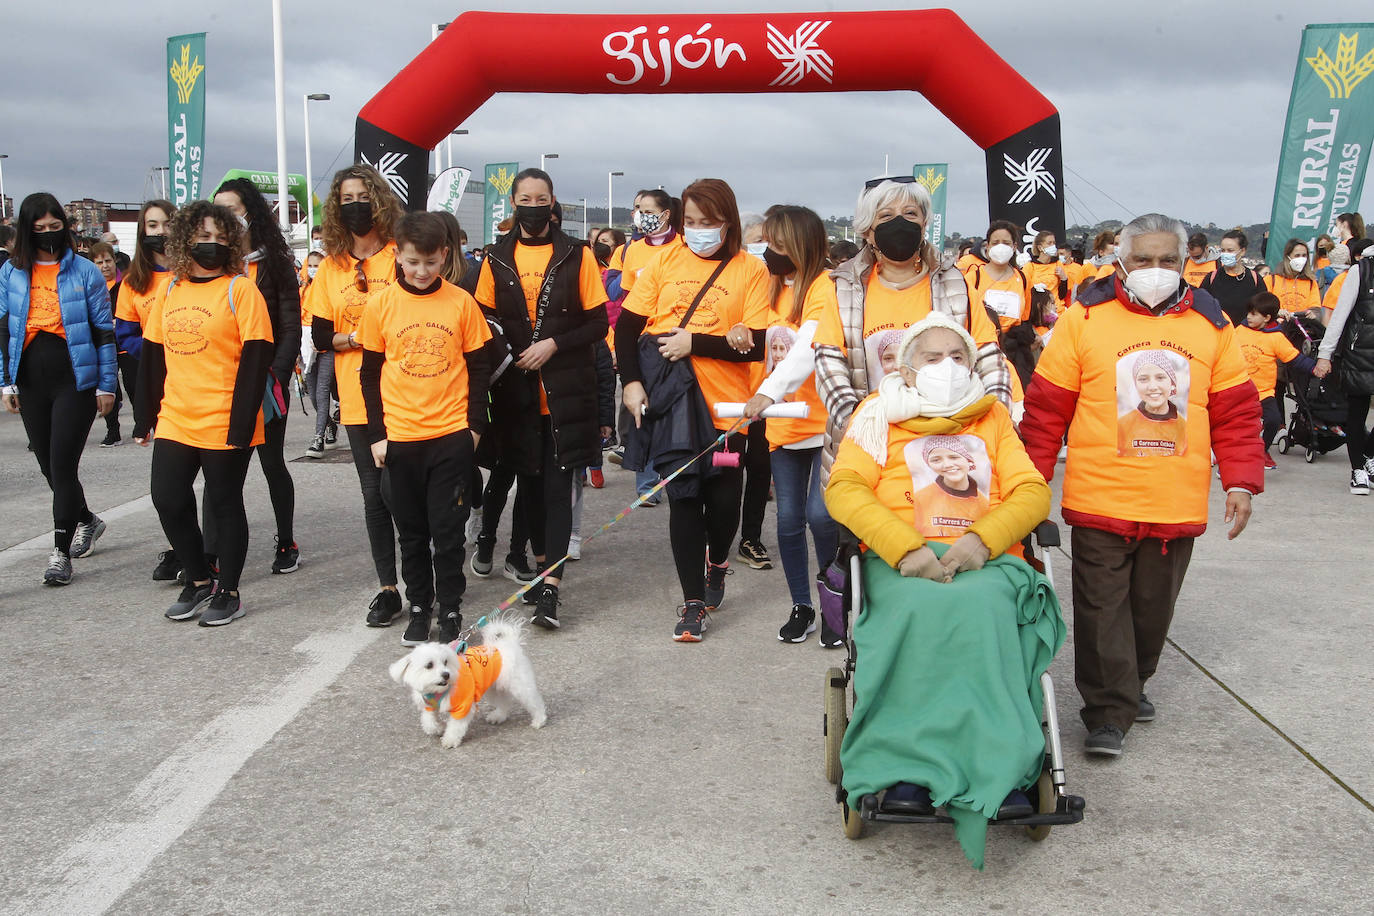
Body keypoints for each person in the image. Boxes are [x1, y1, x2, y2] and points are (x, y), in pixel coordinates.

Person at [1020, 213, 1263, 758]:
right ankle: (1108, 711)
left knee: (1152, 610)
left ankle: (1134, 682)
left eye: (1167, 260)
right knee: (1102, 609)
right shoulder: (1085, 317)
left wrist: (1242, 481)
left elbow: (1237, 413)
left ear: (1183, 263)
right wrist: (1027, 490)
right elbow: (1044, 411)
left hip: (1173, 502)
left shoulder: (1211, 323)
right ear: (1120, 261)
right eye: (1143, 259)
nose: (1155, 270)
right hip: (1099, 497)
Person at [825, 314, 1062, 870]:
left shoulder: (993, 418)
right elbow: (845, 489)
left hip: (986, 557)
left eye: (958, 356)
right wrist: (904, 548)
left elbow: (1030, 491)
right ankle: (904, 765)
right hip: (903, 558)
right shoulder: (875, 414)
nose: (948, 367)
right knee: (915, 611)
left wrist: (985, 541)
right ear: (905, 368)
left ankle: (1002, 766)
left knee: (987, 609)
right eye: (932, 358)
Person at [617, 177, 769, 641]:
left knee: (724, 504)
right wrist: (632, 383)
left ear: (729, 221)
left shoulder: (750, 270)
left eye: (710, 221)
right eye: (692, 221)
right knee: (683, 499)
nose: (699, 229)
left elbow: (757, 346)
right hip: (671, 404)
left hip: (727, 410)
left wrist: (696, 343)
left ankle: (718, 561)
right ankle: (692, 603)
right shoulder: (663, 261)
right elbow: (626, 329)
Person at [474, 167, 609, 631]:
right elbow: (482, 319)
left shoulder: (578, 253)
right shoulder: (495, 257)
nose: (533, 205)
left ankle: (550, 589)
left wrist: (553, 344)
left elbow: (597, 324)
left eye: (542, 198)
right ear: (514, 203)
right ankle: (536, 569)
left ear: (554, 204)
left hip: (564, 392)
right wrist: (508, 354)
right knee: (527, 490)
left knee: (555, 492)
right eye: (525, 198)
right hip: (515, 392)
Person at [814, 176, 1010, 484]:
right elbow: (829, 363)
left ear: (923, 224)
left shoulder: (955, 284)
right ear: (867, 230)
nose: (900, 223)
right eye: (886, 216)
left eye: (910, 214)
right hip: (872, 445)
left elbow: (988, 358)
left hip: (948, 445)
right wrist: (860, 422)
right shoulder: (845, 289)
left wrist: (994, 424)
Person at [132, 200, 274, 626]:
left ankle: (228, 591)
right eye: (201, 236)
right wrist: (144, 417)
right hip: (177, 414)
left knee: (224, 504)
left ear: (230, 242)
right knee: (168, 499)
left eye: (218, 237)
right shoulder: (171, 289)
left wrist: (242, 420)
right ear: (184, 239)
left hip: (225, 415)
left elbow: (257, 357)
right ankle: (197, 579)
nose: (210, 244)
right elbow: (152, 357)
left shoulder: (239, 289)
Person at [359, 212, 492, 646]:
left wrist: (473, 428)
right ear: (397, 256)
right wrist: (378, 434)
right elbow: (369, 374)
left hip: (450, 436)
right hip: (399, 439)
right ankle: (420, 606)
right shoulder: (379, 305)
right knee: (411, 533)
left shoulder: (461, 303)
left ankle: (451, 608)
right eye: (413, 262)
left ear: (445, 257)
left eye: (431, 263)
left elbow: (479, 368)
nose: (421, 272)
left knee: (447, 534)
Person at [0, 191, 118, 586]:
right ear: (26, 232)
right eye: (40, 229)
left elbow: (104, 332)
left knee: (63, 465)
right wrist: (6, 382)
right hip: (31, 377)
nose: (48, 235)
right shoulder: (11, 272)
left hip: (75, 377)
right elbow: (2, 329)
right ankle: (85, 518)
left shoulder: (84, 271)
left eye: (55, 227)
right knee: (48, 466)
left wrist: (107, 385)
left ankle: (59, 552)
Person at [305, 164, 405, 626]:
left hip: (409, 392)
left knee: (402, 490)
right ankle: (388, 587)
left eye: (362, 195)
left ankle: (423, 577)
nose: (355, 205)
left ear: (379, 199)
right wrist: (358, 338)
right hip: (359, 395)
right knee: (373, 494)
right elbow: (323, 333)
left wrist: (356, 333)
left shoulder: (398, 254)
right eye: (345, 198)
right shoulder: (332, 266)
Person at [740, 205, 839, 645]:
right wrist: (739, 329)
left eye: (778, 245)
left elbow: (807, 350)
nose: (769, 253)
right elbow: (762, 335)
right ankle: (802, 605)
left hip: (822, 424)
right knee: (788, 521)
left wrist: (769, 393)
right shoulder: (773, 286)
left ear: (801, 245)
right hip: (783, 426)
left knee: (821, 516)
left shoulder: (823, 287)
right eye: (767, 244)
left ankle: (835, 602)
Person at [213, 178, 303, 574]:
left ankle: (286, 540)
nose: (225, 218)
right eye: (218, 210)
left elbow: (290, 326)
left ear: (251, 212)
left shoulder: (274, 263)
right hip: (220, 382)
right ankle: (210, 553)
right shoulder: (214, 262)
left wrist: (277, 377)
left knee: (271, 463)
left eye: (232, 209)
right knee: (220, 468)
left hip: (266, 381)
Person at [115, 199, 180, 581]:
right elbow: (125, 334)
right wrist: (159, 353)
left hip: (198, 383)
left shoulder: (193, 273)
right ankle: (179, 546)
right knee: (168, 486)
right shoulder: (133, 282)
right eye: (152, 225)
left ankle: (206, 549)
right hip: (156, 386)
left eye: (167, 223)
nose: (159, 232)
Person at [1314, 248, 1374, 493]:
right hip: (1359, 352)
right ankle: (1357, 469)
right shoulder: (1361, 270)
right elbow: (1339, 316)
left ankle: (1369, 455)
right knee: (1358, 414)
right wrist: (1324, 355)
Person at [1235, 292, 1315, 469]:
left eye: (1254, 314)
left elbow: (1295, 358)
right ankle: (1235, 461)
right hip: (1240, 390)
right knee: (1240, 428)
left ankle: (1262, 451)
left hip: (1263, 393)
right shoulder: (1239, 331)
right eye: (1248, 312)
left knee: (1273, 419)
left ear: (1267, 318)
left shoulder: (1276, 337)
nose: (1248, 317)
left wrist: (1315, 368)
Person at [89, 241, 125, 447]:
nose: (104, 265)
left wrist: (118, 323)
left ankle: (144, 425)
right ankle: (113, 432)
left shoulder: (127, 283)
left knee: (134, 387)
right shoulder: (90, 286)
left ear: (115, 260)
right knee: (109, 387)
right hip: (103, 345)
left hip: (125, 343)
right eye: (99, 262)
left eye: (108, 260)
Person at [964, 220, 1029, 333]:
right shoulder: (972, 279)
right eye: (995, 243)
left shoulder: (1023, 278)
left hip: (1014, 345)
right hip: (983, 343)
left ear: (1014, 247)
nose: (1000, 247)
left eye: (1006, 243)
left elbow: (1025, 317)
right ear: (988, 246)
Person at [1199, 229, 1266, 326]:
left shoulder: (1255, 279)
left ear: (1242, 251)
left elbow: (1263, 307)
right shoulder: (1211, 278)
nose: (1225, 254)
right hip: (1218, 333)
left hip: (1244, 335)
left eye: (1230, 250)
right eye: (1223, 250)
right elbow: (1202, 305)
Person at [1265, 239, 1320, 318]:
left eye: (1304, 255)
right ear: (1288, 257)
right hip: (1277, 326)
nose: (1301, 259)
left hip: (1301, 326)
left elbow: (1316, 309)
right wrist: (1276, 312)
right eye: (1297, 255)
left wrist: (1312, 315)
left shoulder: (1311, 282)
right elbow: (1262, 307)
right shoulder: (1270, 280)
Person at [1022, 229, 1067, 314]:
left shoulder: (1058, 264)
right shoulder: (1030, 266)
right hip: (1039, 312)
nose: (1053, 246)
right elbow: (1025, 292)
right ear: (1040, 247)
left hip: (1057, 310)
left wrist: (1064, 279)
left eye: (1054, 243)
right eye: (1049, 243)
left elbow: (1062, 295)